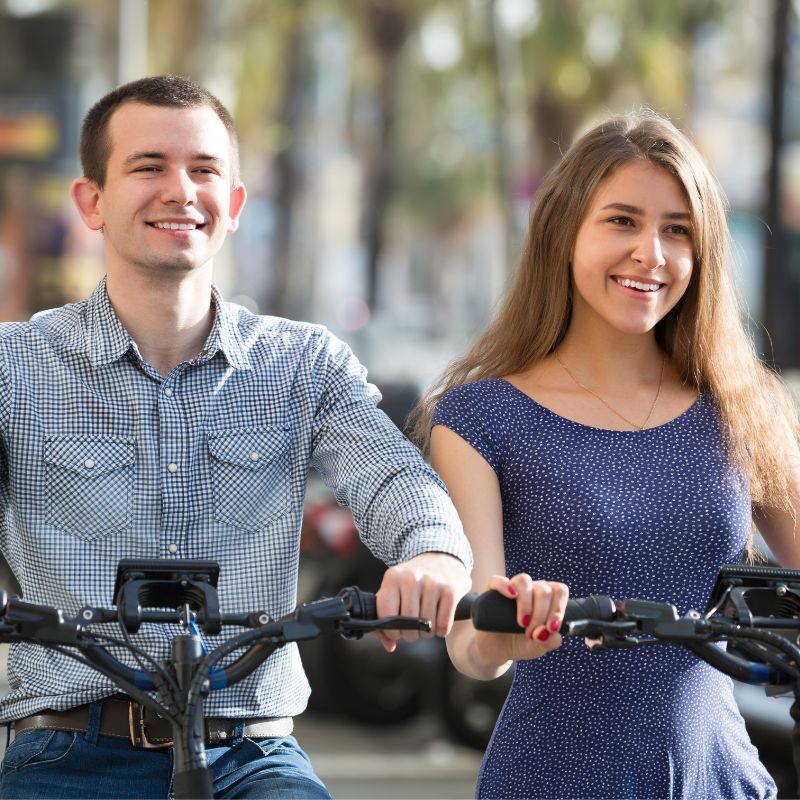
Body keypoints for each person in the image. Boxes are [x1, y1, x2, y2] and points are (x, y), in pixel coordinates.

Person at [0, 75, 472, 799]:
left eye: (204, 170)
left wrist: (432, 554)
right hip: (67, 753)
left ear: (236, 204)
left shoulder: (305, 364)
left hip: (250, 757)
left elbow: (394, 478)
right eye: (148, 167)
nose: (180, 190)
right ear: (92, 201)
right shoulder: (13, 369)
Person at [413, 110, 800, 799]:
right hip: (551, 780)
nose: (651, 252)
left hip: (721, 780)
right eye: (622, 220)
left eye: (676, 229)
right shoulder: (478, 417)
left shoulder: (746, 406)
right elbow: (472, 644)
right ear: (564, 233)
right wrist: (507, 635)